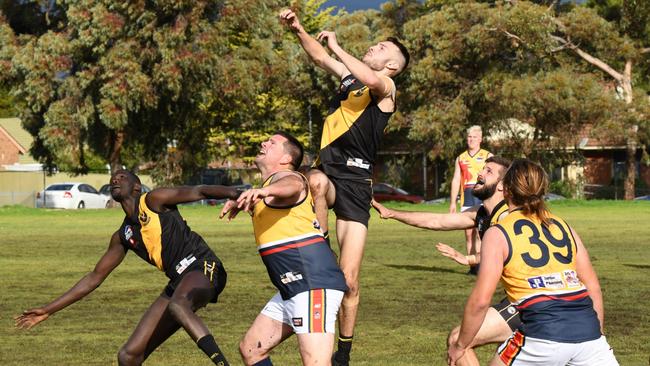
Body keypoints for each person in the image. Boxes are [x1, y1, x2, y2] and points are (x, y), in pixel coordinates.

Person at [279, 9, 410, 365]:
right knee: (317, 180)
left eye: (381, 46)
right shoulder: (352, 79)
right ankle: (319, 242)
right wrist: (299, 29)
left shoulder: (387, 87)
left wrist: (337, 45)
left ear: (392, 66)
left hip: (355, 185)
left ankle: (345, 352)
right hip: (329, 176)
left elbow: (360, 70)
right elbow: (319, 56)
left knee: (350, 281)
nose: (373, 45)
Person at [15, 170, 242, 366]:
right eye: (113, 177)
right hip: (178, 281)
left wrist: (237, 194)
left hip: (203, 266)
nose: (116, 179)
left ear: (136, 186)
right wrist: (48, 310)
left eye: (122, 176)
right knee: (128, 356)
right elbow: (94, 277)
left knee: (179, 305)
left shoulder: (154, 199)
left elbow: (200, 191)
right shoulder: (123, 235)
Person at [448, 159, 619, 366]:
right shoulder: (564, 226)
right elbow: (593, 287)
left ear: (506, 189)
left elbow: (481, 301)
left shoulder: (498, 232)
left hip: (542, 333)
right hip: (589, 333)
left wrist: (459, 346)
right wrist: (596, 335)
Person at [373, 156, 518, 366]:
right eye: (482, 168)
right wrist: (392, 213)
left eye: (488, 171)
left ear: (502, 186)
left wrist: (470, 258)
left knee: (458, 342)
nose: (479, 174)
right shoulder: (482, 214)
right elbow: (437, 221)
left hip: (531, 302)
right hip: (526, 300)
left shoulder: (507, 219)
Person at [220, 132, 348, 366]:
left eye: (272, 142)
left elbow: (293, 184)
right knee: (251, 348)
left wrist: (263, 192)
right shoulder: (269, 188)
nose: (263, 143)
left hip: (312, 282)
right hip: (292, 286)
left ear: (287, 159)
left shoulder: (289, 178)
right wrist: (245, 200)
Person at [449, 125, 492, 275]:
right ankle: (472, 268)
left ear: (480, 139)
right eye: (469, 137)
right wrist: (453, 202)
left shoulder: (488, 156)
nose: (471, 139)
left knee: (481, 233)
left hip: (482, 198)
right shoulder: (461, 158)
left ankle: (480, 264)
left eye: (474, 137)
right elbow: (455, 180)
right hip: (467, 198)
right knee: (468, 233)